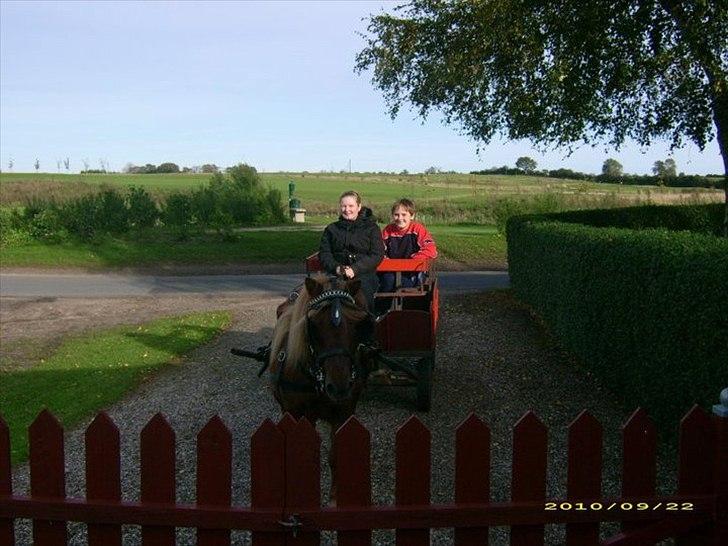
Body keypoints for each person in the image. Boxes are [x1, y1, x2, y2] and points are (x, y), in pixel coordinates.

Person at [319, 190, 384, 311]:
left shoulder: (371, 228)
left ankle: (367, 323)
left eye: (351, 206)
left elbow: (377, 254)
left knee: (362, 297)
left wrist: (355, 269)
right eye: (343, 206)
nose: (347, 209)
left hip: (364, 275)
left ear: (359, 207)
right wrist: (336, 268)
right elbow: (324, 254)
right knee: (323, 300)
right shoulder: (331, 229)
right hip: (336, 274)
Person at [379, 198, 438, 292]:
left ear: (412, 215)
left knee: (406, 286)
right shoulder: (388, 230)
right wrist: (386, 261)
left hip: (412, 272)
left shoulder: (418, 229)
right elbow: (379, 249)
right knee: (387, 282)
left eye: (404, 215)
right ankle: (383, 306)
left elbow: (431, 250)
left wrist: (413, 260)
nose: (400, 218)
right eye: (396, 215)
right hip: (390, 271)